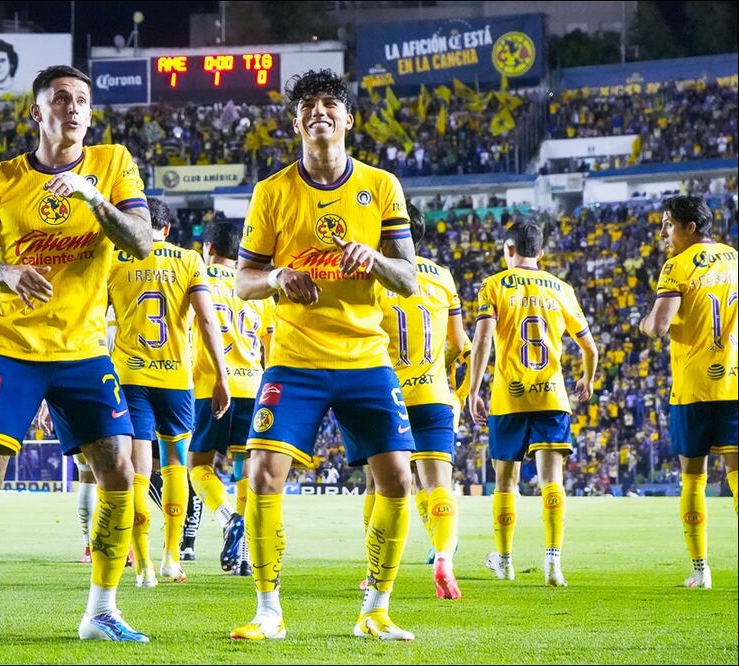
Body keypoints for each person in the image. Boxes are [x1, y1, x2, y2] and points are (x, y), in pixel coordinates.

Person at [0, 64, 154, 644]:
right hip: (12, 348)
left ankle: (101, 610)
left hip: (83, 350)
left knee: (119, 470)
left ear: (91, 113)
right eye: (60, 99)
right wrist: (5, 271)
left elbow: (142, 241)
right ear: (37, 112)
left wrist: (93, 199)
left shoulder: (113, 164)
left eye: (81, 100)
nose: (73, 108)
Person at [233, 69, 419, 642]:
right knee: (263, 475)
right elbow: (243, 281)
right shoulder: (272, 192)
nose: (319, 112)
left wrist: (374, 260)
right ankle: (268, 611)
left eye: (329, 104)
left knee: (397, 481)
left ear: (348, 119)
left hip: (366, 355)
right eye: (308, 106)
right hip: (294, 358)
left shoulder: (381, 186)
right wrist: (280, 277)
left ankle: (376, 608)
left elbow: (409, 279)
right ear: (296, 122)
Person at [107, 197, 230, 587]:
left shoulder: (114, 259)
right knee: (176, 464)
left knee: (138, 471)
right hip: (176, 378)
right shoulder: (189, 260)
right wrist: (221, 377)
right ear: (168, 228)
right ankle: (171, 559)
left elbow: (94, 318)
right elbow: (208, 321)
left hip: (129, 376)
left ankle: (141, 564)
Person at [468, 219, 598, 587]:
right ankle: (553, 563)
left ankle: (505, 563)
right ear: (540, 253)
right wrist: (587, 378)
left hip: (509, 396)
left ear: (508, 249)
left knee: (505, 484)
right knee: (551, 481)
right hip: (552, 395)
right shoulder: (561, 288)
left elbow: (481, 340)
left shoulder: (493, 285)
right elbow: (589, 347)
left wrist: (473, 389)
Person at [373, 202, 471, 599]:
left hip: (387, 392)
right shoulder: (443, 277)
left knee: (380, 487)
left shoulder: (375, 275)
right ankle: (444, 555)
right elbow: (459, 344)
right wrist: (447, 379)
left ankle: (375, 571)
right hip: (434, 394)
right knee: (439, 484)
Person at [638, 195, 737, 589]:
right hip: (734, 382)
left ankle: (701, 571)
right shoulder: (734, 258)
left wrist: (644, 322)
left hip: (694, 387)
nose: (663, 233)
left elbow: (659, 326)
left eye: (668, 225)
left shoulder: (677, 266)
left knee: (693, 479)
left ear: (690, 227)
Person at [188, 218, 274, 578]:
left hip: (210, 385)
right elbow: (272, 350)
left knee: (197, 467)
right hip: (253, 387)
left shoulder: (199, 279)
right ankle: (242, 556)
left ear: (208, 249)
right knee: (246, 470)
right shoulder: (254, 289)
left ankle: (228, 518)